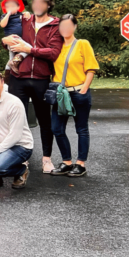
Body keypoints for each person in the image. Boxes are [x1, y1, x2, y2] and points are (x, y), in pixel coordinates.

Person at [3, 0, 62, 173]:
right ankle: (19, 159)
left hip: (41, 79)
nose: (37, 6)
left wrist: (29, 49)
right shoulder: (24, 20)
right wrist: (6, 39)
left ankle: (46, 159)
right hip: (18, 77)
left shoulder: (55, 25)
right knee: (15, 120)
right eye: (34, 2)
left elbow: (53, 52)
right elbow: (7, 36)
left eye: (41, 3)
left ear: (48, 4)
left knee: (44, 121)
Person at [50, 14, 99, 177]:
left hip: (78, 92)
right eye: (62, 26)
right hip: (61, 94)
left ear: (75, 27)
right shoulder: (56, 46)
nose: (65, 29)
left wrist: (84, 89)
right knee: (57, 128)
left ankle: (80, 163)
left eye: (68, 26)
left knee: (81, 129)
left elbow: (91, 68)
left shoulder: (82, 44)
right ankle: (66, 162)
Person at [0, 0, 27, 72]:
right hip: (12, 39)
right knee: (29, 49)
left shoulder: (20, 15)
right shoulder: (4, 16)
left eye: (13, 6)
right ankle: (14, 62)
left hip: (20, 39)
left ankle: (8, 73)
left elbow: (26, 17)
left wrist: (27, 14)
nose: (10, 8)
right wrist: (8, 14)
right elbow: (2, 25)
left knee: (11, 58)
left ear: (18, 7)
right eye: (8, 7)